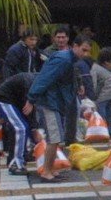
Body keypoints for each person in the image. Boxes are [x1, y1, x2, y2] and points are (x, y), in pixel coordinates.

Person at [27, 28, 79, 183]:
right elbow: (45, 78)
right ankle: (46, 172)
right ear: (75, 46)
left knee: (56, 138)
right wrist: (31, 98)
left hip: (55, 102)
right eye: (83, 50)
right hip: (49, 102)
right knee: (54, 138)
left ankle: (51, 169)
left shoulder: (68, 59)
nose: (85, 54)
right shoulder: (63, 59)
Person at [0, 70, 37, 175]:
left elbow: (30, 113)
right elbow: (28, 108)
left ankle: (21, 156)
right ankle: (15, 163)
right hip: (3, 99)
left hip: (13, 100)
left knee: (24, 127)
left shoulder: (35, 81)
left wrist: (34, 128)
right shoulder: (32, 82)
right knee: (20, 128)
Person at [90, 48, 111, 129]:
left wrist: (92, 98)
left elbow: (93, 83)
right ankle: (109, 128)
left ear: (105, 63)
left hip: (110, 88)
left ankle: (101, 127)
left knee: (99, 105)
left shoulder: (94, 68)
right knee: (108, 107)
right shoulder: (105, 69)